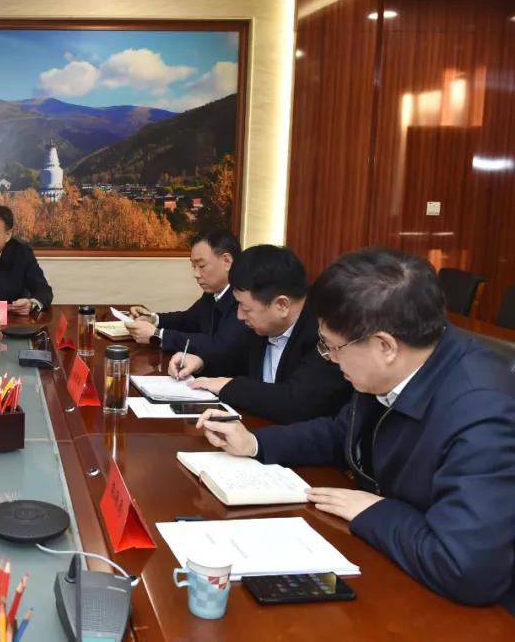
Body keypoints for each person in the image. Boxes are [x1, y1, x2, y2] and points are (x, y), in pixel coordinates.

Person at [195, 248, 515, 611]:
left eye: (334, 348)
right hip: (397, 560)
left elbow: (466, 568)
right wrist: (254, 443)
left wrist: (374, 511)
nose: (331, 359)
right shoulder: (397, 366)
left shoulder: (483, 414)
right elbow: (341, 434)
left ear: (385, 346)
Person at [169, 244, 350, 423]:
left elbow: (295, 402)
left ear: (282, 305)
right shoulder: (262, 326)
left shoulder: (328, 334)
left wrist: (229, 386)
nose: (240, 316)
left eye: (246, 308)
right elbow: (234, 353)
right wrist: (201, 361)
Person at [125, 229, 250, 355]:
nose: (196, 274)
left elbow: (218, 346)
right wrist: (153, 319)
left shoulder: (244, 299)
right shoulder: (212, 293)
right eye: (193, 266)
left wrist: (158, 335)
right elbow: (189, 319)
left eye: (201, 266)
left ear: (227, 261)